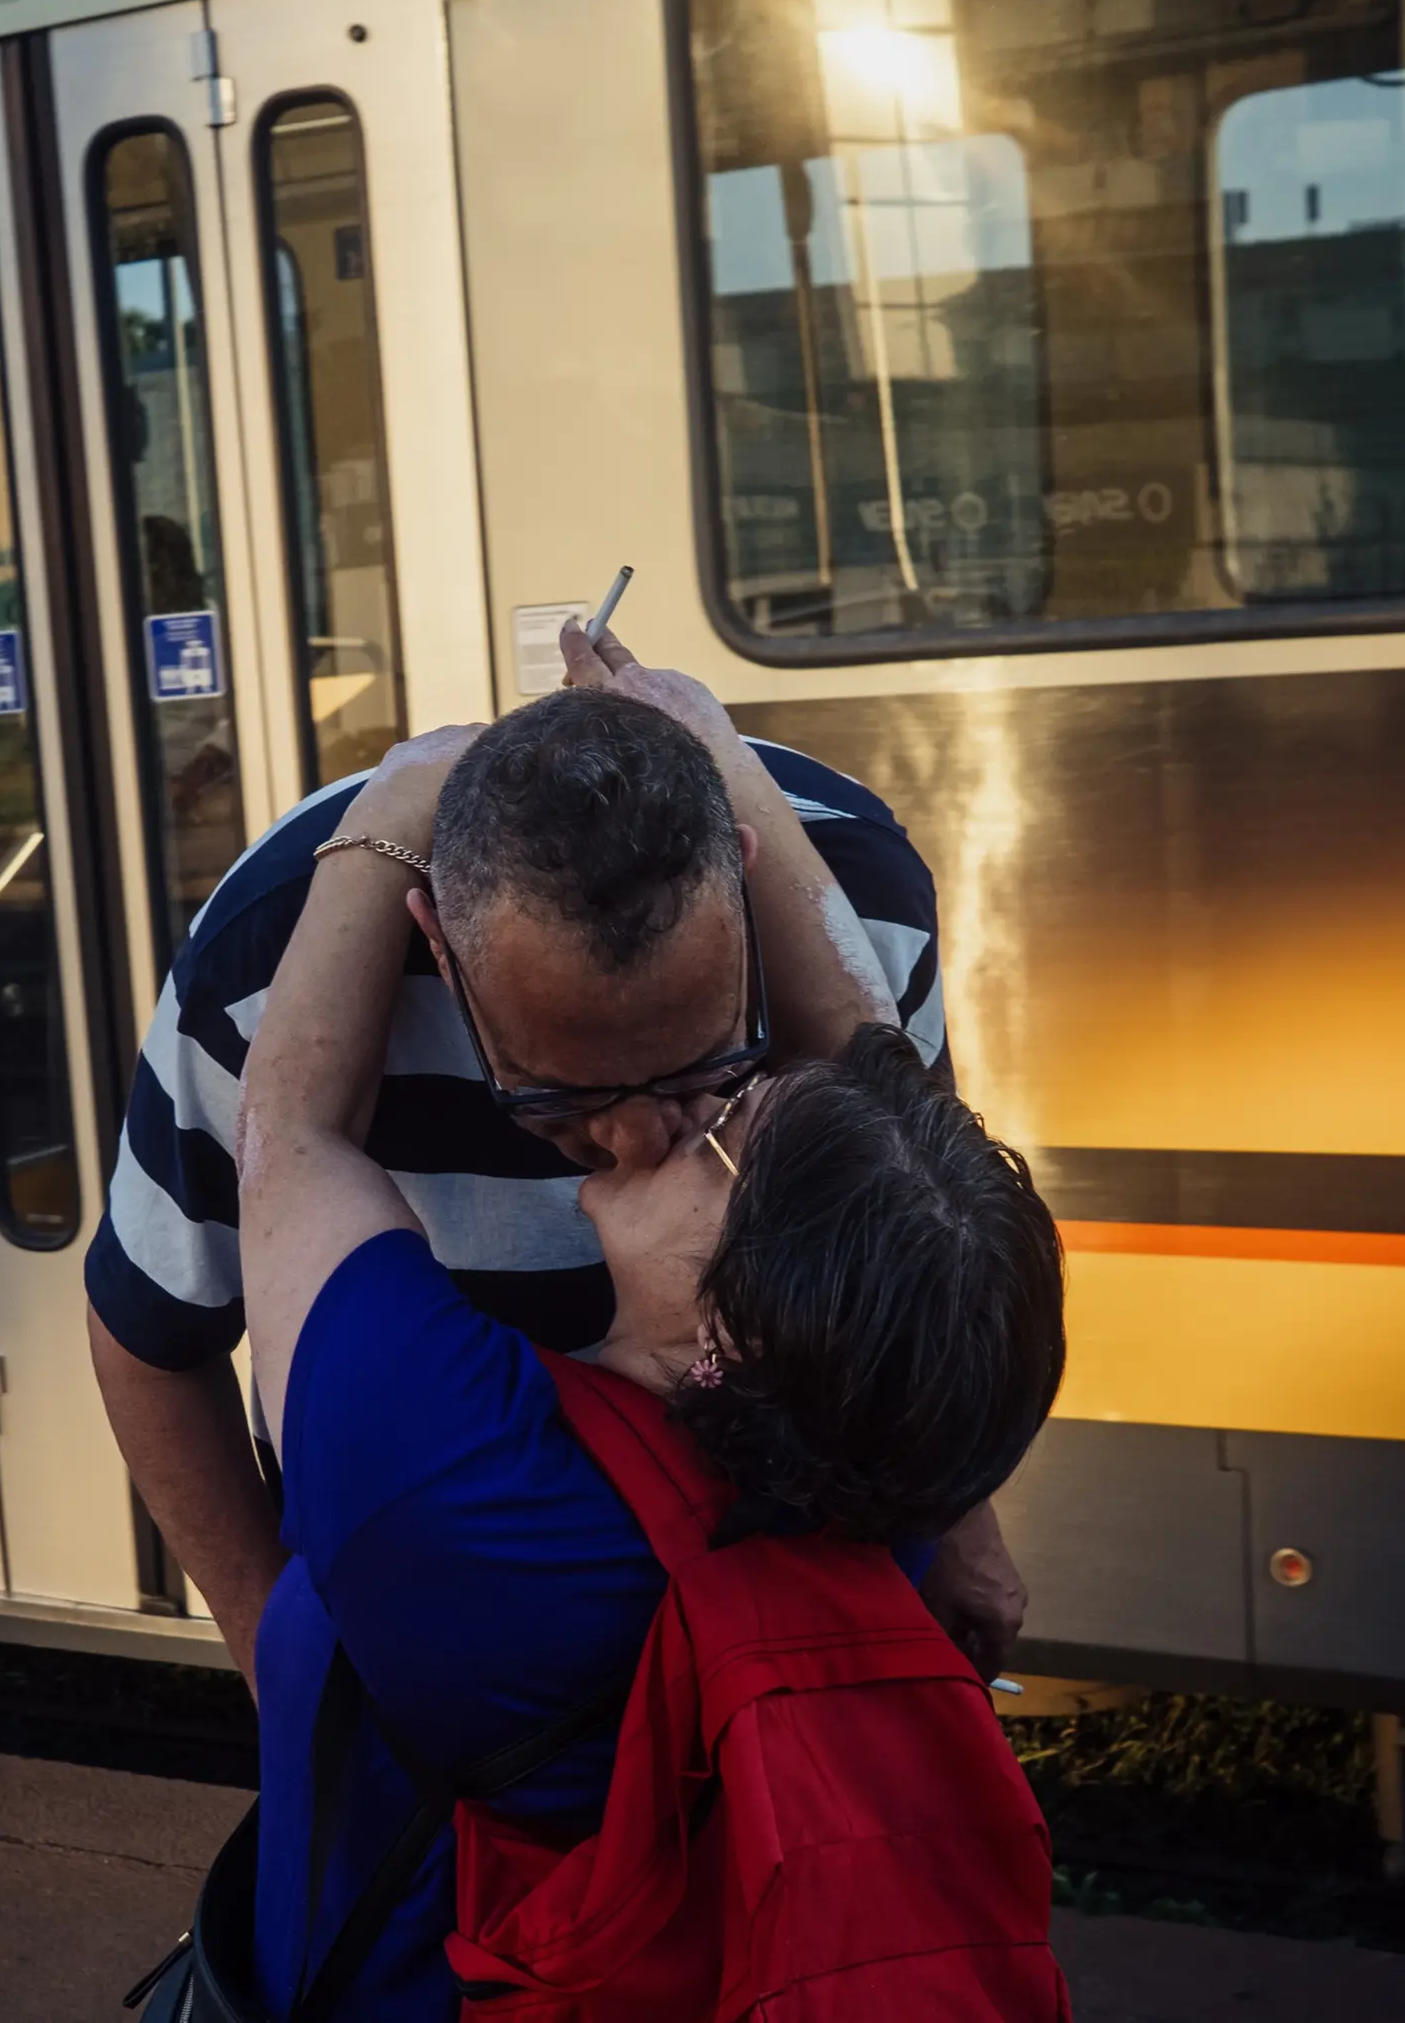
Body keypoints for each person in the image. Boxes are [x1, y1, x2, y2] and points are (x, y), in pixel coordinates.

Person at [223, 658, 1067, 2018]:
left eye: (728, 1122)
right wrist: (724, 773)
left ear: (726, 1331)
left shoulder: (445, 1473)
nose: (671, 1117)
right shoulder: (887, 1467)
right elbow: (880, 1086)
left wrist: (392, 814)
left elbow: (289, 1128)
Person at [87, 621, 1028, 1684]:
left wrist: (300, 1690)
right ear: (437, 944)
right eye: (559, 1092)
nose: (636, 1141)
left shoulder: (419, 1441)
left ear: (744, 878)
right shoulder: (255, 957)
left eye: (704, 1073)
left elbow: (287, 1138)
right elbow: (152, 1333)